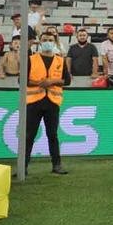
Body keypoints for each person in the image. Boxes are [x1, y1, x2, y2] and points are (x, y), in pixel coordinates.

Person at [24, 31, 71, 175]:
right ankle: (23, 167)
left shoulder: (60, 60)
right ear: (40, 41)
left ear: (55, 42)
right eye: (44, 39)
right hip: (33, 102)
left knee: (52, 135)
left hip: (52, 102)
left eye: (50, 39)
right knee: (29, 135)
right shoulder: (31, 59)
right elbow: (23, 80)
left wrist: (52, 81)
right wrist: (39, 83)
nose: (47, 42)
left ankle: (56, 165)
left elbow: (67, 81)